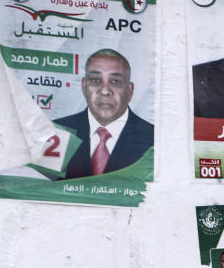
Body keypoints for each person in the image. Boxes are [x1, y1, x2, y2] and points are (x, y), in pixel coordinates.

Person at [53, 49, 153, 180]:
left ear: (130, 90)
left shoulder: (153, 139)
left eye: (115, 81)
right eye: (95, 80)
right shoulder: (57, 133)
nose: (105, 91)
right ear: (84, 86)